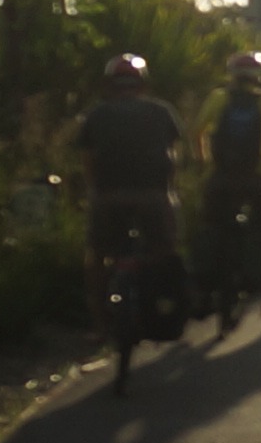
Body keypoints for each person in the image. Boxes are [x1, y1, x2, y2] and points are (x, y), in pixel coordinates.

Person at [194, 49, 261, 311]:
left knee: (210, 225)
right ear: (258, 76)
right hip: (256, 178)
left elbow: (196, 132)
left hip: (220, 177)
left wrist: (204, 163)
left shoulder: (218, 98)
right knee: (260, 224)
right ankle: (253, 274)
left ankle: (203, 281)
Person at [74, 52, 186, 292]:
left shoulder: (96, 114)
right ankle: (162, 295)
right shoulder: (161, 111)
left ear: (108, 84)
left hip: (108, 197)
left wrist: (96, 191)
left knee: (97, 255)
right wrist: (168, 189)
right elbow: (172, 156)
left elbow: (88, 161)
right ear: (143, 84)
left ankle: (100, 321)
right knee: (166, 248)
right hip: (153, 196)